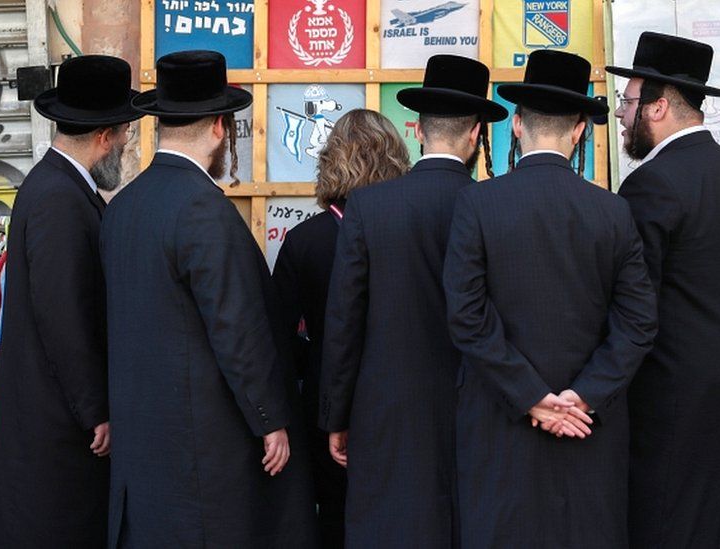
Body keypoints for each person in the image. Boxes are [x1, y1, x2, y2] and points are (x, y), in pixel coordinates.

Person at [99, 50, 317, 548]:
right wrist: (270, 420)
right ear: (221, 127)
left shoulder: (122, 207)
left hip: (143, 449)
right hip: (201, 456)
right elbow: (236, 328)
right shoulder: (201, 209)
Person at [442, 50, 658, 548]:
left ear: (516, 126)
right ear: (580, 130)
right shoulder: (613, 213)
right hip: (588, 431)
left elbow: (467, 318)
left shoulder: (477, 203)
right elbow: (638, 324)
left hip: (501, 428)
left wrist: (533, 399)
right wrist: (582, 397)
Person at [318, 54, 507, 548]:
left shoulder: (369, 207)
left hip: (387, 411)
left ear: (419, 131)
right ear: (474, 136)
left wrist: (337, 415)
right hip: (482, 408)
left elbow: (344, 321)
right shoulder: (497, 206)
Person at [607, 31, 720, 549]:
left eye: (628, 101)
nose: (619, 114)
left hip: (670, 406)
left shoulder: (650, 186)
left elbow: (634, 309)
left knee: (669, 527)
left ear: (658, 106)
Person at [0, 55, 141, 549]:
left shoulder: (53, 185)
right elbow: (62, 315)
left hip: (48, 424)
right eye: (126, 133)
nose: (128, 143)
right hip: (55, 433)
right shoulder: (60, 199)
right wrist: (96, 411)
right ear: (106, 135)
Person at [272, 108, 410, 548]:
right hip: (403, 402)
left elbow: (277, 337)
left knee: (335, 523)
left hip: (325, 406)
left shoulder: (304, 240)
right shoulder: (413, 231)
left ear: (332, 160)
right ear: (393, 159)